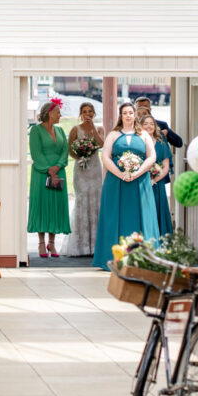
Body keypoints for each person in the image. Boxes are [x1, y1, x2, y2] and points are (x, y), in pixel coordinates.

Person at [93, 103, 159, 270]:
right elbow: (106, 157)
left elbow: (152, 157)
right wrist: (120, 173)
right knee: (114, 216)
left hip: (140, 181)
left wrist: (138, 173)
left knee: (141, 215)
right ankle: (111, 258)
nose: (128, 115)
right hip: (116, 182)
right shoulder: (113, 135)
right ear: (121, 116)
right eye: (125, 113)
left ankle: (144, 258)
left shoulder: (143, 134)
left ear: (135, 115)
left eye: (131, 112)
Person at [27, 99, 70, 258]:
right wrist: (50, 171)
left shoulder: (60, 131)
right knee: (42, 207)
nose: (60, 115)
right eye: (58, 112)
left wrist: (57, 168)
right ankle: (40, 243)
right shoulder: (36, 131)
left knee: (55, 207)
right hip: (41, 173)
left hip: (59, 174)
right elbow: (36, 153)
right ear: (49, 113)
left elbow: (64, 151)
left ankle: (52, 243)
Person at [61, 102, 104, 257]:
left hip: (95, 169)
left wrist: (92, 127)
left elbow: (101, 144)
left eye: (90, 111)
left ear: (94, 113)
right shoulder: (75, 129)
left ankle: (95, 246)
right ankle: (80, 245)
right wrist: (80, 157)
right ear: (80, 113)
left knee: (95, 201)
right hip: (81, 169)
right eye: (85, 111)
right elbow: (70, 149)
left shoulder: (99, 128)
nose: (88, 114)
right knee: (82, 201)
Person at [141, 114, 174, 237]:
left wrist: (154, 179)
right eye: (145, 124)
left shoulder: (161, 142)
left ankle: (160, 240)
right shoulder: (138, 141)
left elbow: (166, 166)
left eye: (151, 124)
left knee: (158, 210)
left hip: (157, 183)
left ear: (155, 126)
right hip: (141, 182)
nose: (149, 126)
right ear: (140, 126)